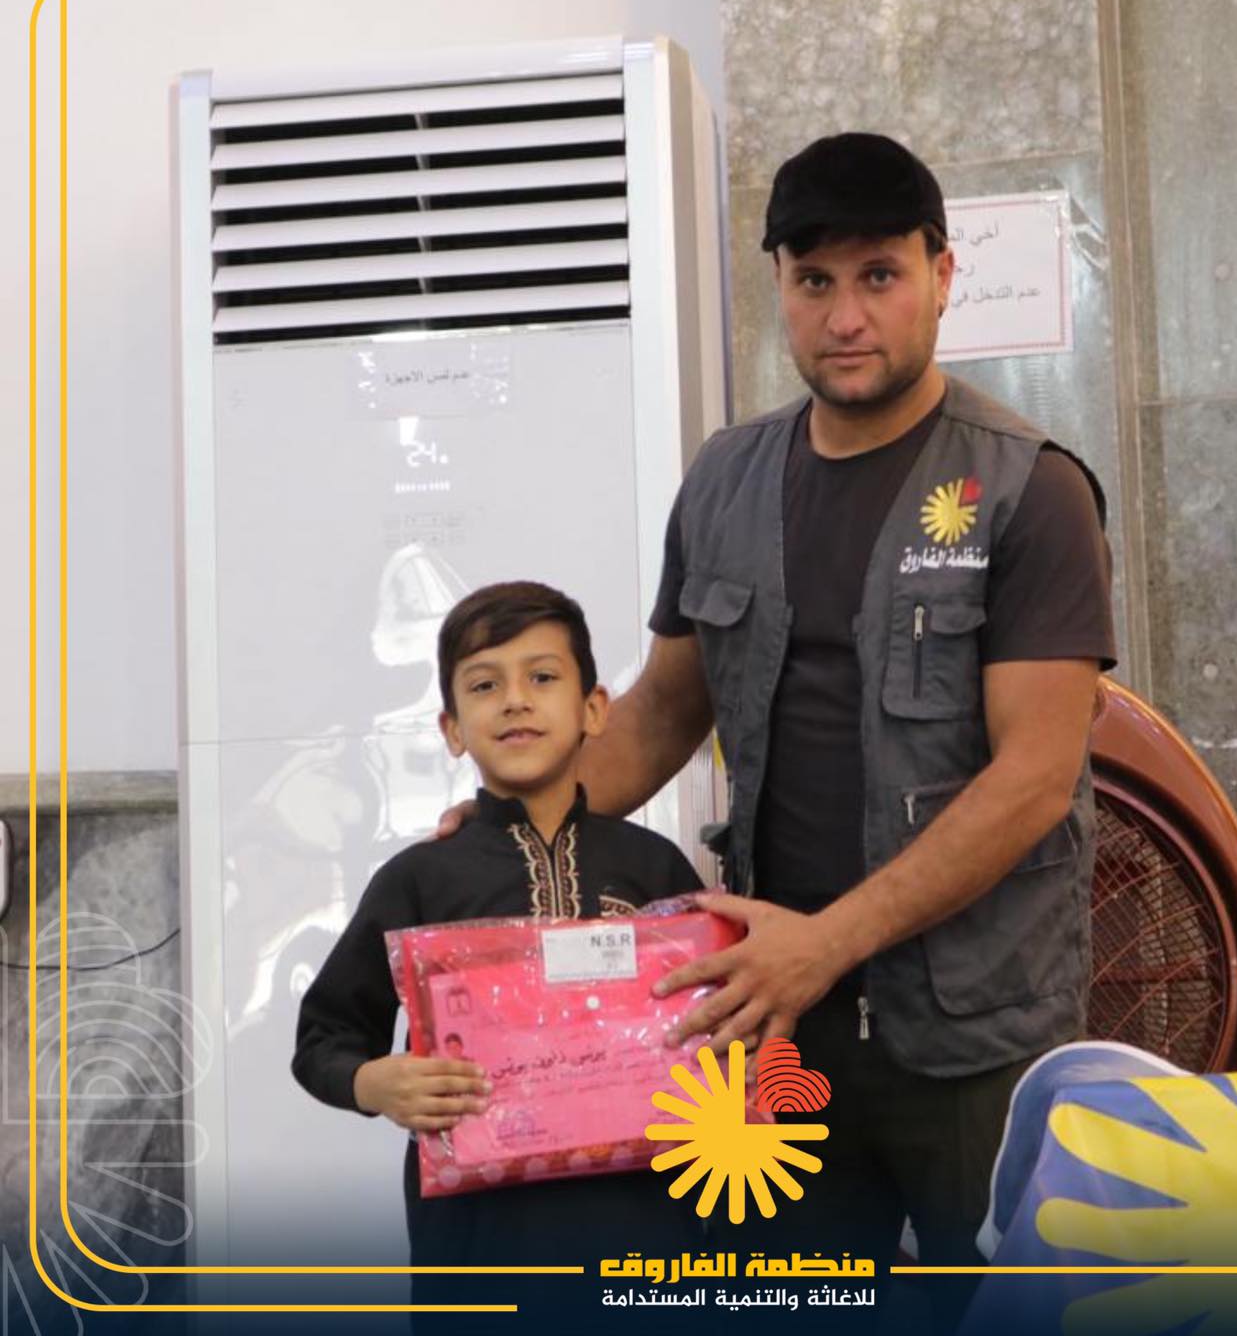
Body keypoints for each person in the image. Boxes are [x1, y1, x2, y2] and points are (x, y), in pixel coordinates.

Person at [439, 131, 1117, 1331]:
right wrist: (514, 827)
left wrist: (829, 942)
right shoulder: (726, 480)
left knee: (1000, 1311)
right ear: (780, 289)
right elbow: (662, 710)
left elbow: (1034, 778)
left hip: (972, 1035)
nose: (846, 316)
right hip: (770, 1025)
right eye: (815, 282)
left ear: (942, 276)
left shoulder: (1028, 488)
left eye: (880, 276)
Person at [293, 580, 705, 1330]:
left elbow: (717, 1025)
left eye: (542, 677)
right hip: (481, 1253)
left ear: (594, 709)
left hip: (649, 1238)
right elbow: (324, 1038)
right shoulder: (418, 880)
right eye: (485, 686)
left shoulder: (656, 868)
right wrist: (375, 1083)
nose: (515, 701)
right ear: (452, 728)